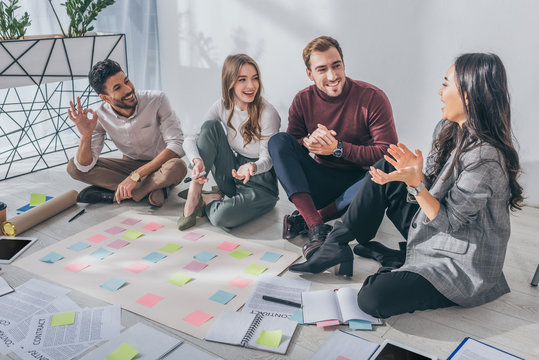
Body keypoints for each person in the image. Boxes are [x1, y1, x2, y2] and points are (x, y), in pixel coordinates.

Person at [289, 53, 523, 319]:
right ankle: (336, 245)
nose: (440, 91)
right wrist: (411, 175)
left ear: (468, 95)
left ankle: (397, 261)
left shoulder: (485, 158)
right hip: (437, 229)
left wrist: (417, 185)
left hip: (460, 261)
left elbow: (449, 222)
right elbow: (436, 192)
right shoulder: (448, 129)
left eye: (446, 84)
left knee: (372, 298)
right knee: (387, 165)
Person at [268, 36, 397, 259]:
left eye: (336, 65)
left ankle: (309, 218)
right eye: (322, 69)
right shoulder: (302, 101)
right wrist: (308, 142)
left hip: (360, 184)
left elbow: (388, 154)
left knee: (385, 171)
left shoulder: (372, 98)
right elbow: (291, 146)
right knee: (277, 141)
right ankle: (316, 227)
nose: (332, 76)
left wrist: (338, 148)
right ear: (310, 74)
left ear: (344, 64)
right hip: (321, 182)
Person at [178, 54, 281, 230]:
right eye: (242, 79)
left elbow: (268, 159)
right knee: (210, 127)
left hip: (260, 183)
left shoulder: (268, 113)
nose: (251, 86)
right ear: (230, 82)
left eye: (255, 78)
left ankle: (208, 200)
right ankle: (194, 196)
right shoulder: (222, 105)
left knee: (221, 218)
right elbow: (190, 138)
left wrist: (253, 167)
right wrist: (197, 160)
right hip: (233, 172)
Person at [66, 59, 187, 207]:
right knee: (74, 167)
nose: (128, 89)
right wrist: (86, 135)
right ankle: (152, 189)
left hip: (161, 163)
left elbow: (177, 145)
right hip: (129, 164)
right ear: (105, 98)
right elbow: (84, 166)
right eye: (117, 88)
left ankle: (119, 193)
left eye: (127, 81)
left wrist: (135, 176)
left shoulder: (157, 100)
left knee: (178, 167)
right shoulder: (100, 116)